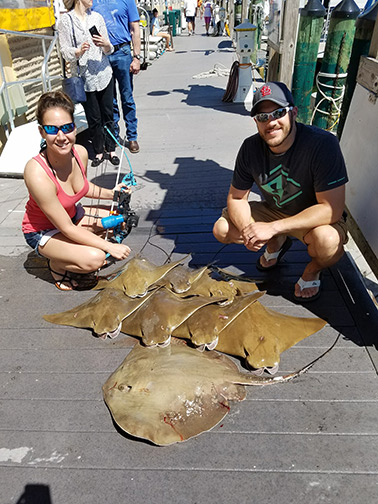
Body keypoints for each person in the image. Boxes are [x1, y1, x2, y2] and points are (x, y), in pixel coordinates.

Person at [213, 82, 348, 302]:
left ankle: (312, 271)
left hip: (314, 220)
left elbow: (331, 210)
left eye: (278, 113)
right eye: (262, 117)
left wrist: (272, 227)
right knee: (222, 229)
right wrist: (250, 230)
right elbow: (237, 197)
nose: (271, 122)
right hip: (275, 210)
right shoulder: (249, 148)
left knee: (328, 242)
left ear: (293, 113)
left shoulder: (324, 144)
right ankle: (277, 241)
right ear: (255, 121)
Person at [22, 91, 131, 291]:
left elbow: (82, 188)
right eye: (52, 129)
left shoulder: (80, 152)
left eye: (67, 127)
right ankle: (56, 265)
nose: (62, 136)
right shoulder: (36, 172)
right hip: (44, 231)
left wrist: (114, 193)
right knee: (96, 258)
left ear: (75, 127)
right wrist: (109, 247)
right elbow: (66, 228)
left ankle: (72, 251)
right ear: (42, 132)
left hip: (73, 217)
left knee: (120, 221)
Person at [58, 0, 120, 167]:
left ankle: (111, 149)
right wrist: (78, 51)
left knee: (108, 114)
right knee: (93, 117)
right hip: (84, 76)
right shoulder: (66, 21)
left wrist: (105, 44)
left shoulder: (97, 17)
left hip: (104, 72)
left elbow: (109, 48)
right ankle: (99, 151)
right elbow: (64, 50)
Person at [92, 0, 141, 154]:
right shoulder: (93, 2)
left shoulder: (127, 1)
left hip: (122, 52)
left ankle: (132, 136)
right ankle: (114, 134)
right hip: (102, 55)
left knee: (127, 96)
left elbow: (135, 28)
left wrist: (137, 57)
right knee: (109, 99)